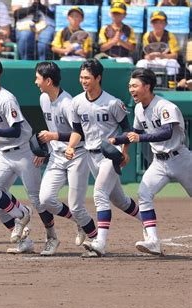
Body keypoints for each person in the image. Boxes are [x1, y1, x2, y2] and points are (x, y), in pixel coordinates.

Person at [65, 59, 142, 257]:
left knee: (99, 194)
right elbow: (76, 131)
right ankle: (148, 220)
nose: (83, 81)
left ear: (98, 78)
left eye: (88, 78)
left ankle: (100, 242)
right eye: (81, 77)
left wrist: (124, 153)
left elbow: (127, 130)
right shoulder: (76, 102)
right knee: (120, 200)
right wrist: (71, 146)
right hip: (91, 156)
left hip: (110, 155)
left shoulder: (113, 103)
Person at [111, 68, 192, 255]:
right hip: (159, 162)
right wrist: (116, 139)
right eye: (129, 86)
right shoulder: (139, 108)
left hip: (180, 159)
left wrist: (140, 138)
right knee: (144, 193)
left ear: (147, 86)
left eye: (134, 85)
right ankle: (153, 240)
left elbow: (166, 132)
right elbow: (135, 133)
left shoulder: (165, 107)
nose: (131, 89)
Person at [0, 57, 40, 252]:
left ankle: (65, 230)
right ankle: (23, 222)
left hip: (23, 153)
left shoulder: (6, 99)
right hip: (4, 153)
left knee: (39, 199)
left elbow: (17, 130)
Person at [34, 61, 98, 256]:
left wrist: (54, 136)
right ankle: (79, 222)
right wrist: (44, 147)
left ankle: (96, 240)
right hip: (56, 155)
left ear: (48, 80)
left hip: (77, 155)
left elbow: (81, 133)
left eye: (37, 78)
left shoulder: (68, 103)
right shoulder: (44, 98)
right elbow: (53, 132)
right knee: (45, 199)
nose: (35, 82)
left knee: (78, 206)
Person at [136, 11, 181, 78]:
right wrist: (148, 57)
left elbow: (175, 55)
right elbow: (146, 54)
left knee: (173, 64)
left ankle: (171, 85)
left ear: (165, 24)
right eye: (155, 22)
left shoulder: (170, 35)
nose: (157, 25)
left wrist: (162, 56)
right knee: (141, 63)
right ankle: (143, 83)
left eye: (161, 22)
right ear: (151, 24)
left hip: (165, 59)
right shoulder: (147, 36)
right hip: (152, 60)